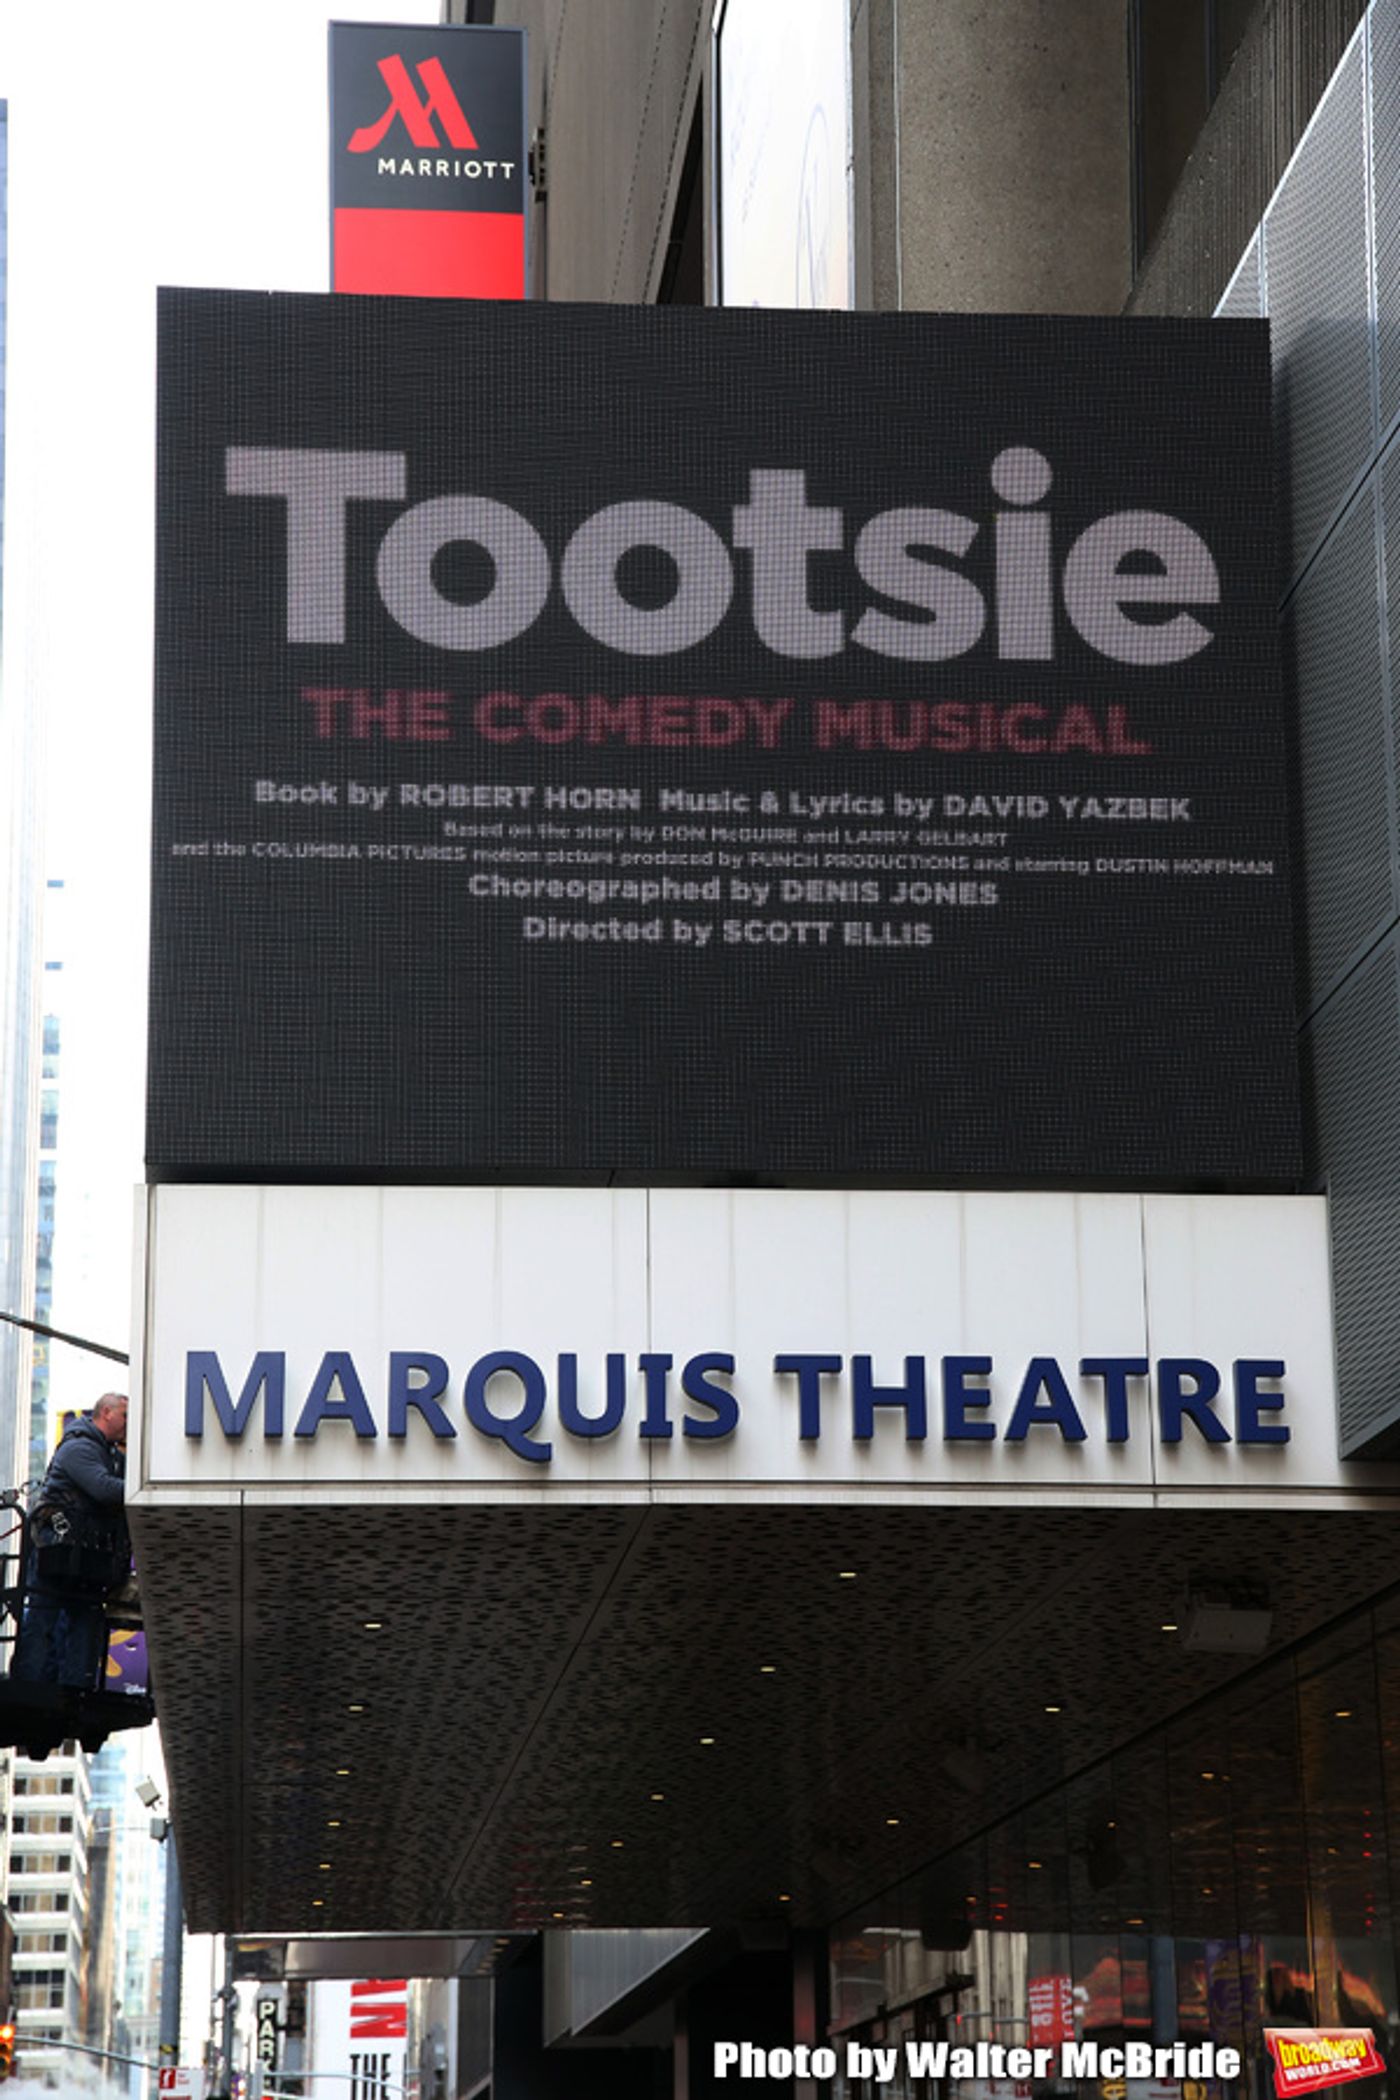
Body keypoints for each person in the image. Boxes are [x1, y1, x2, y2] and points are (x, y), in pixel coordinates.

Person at [12, 1393, 129, 1691]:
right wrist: (143, 1489)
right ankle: (31, 1685)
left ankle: (75, 1688)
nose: (129, 1424)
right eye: (125, 1416)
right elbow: (103, 1489)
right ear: (106, 1413)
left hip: (82, 1554)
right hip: (57, 1549)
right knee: (44, 1621)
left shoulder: (107, 1452)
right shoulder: (79, 1448)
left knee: (83, 1622)